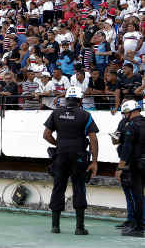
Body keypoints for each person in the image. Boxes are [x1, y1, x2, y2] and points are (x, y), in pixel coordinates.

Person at [43, 85, 99, 235]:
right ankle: (79, 228)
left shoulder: (56, 113)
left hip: (61, 155)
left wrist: (59, 144)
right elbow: (93, 139)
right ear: (80, 100)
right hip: (79, 156)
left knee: (58, 188)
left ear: (66, 99)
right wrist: (94, 161)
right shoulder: (85, 115)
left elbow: (46, 135)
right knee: (79, 187)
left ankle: (55, 226)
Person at [116, 100, 145, 237]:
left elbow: (127, 149)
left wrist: (119, 168)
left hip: (136, 165)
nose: (125, 115)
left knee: (137, 196)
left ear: (130, 111)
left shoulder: (131, 126)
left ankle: (139, 227)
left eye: (125, 113)